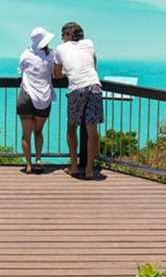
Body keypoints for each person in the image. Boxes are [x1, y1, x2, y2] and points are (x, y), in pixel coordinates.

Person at [53, 21, 103, 179]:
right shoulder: (89, 43)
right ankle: (89, 169)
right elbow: (93, 65)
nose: (62, 38)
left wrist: (67, 72)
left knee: (71, 128)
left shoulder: (60, 49)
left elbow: (57, 74)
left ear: (68, 34)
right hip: (94, 86)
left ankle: (74, 166)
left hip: (77, 88)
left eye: (63, 34)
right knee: (92, 130)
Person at [17, 26, 55, 173]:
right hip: (44, 98)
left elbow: (20, 70)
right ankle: (39, 159)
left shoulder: (26, 54)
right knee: (38, 132)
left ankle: (28, 164)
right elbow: (56, 72)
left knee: (25, 134)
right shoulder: (51, 55)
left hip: (26, 96)